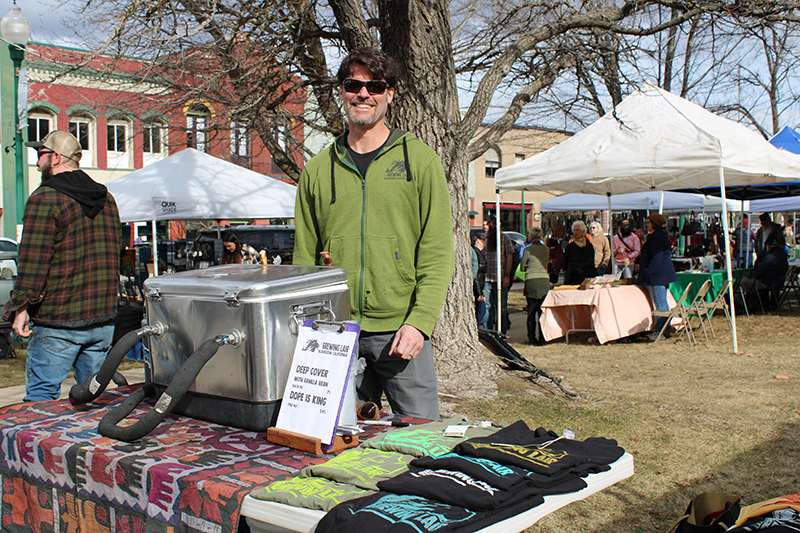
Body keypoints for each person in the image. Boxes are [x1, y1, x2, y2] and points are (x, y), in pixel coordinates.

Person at [293, 48, 454, 420]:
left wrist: (420, 322)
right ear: (341, 91)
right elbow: (304, 261)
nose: (363, 94)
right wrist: (307, 332)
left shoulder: (420, 162)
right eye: (354, 85)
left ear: (390, 93)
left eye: (375, 86)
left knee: (422, 439)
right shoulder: (317, 171)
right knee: (333, 438)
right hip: (335, 333)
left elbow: (437, 253)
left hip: (400, 333)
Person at [3, 131, 121, 401]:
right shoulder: (108, 200)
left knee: (41, 401)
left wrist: (19, 308)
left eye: (40, 155)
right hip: (102, 319)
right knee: (96, 401)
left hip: (59, 321)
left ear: (55, 157)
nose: (36, 162)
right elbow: (113, 256)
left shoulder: (45, 198)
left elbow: (34, 261)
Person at [637, 213, 677, 339]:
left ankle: (660, 330)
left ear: (654, 223)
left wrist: (649, 272)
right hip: (662, 274)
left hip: (658, 274)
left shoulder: (657, 237)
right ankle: (666, 328)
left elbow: (657, 257)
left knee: (660, 303)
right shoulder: (658, 236)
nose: (647, 224)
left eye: (648, 222)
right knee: (662, 302)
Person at [741, 213, 788, 291]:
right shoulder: (760, 231)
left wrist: (774, 249)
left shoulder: (776, 230)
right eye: (761, 223)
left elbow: (781, 243)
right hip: (762, 256)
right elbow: (757, 243)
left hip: (771, 257)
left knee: (758, 278)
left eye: (765, 223)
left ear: (769, 220)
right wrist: (758, 252)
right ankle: (761, 300)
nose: (763, 224)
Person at [484, 217, 514, 334]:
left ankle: (501, 330)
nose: (493, 225)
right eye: (491, 223)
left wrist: (507, 275)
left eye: (496, 223)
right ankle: (488, 331)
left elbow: (509, 256)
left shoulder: (504, 238)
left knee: (501, 306)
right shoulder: (484, 238)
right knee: (487, 306)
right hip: (487, 277)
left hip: (500, 277)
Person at [520, 227, 549, 345]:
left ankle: (531, 337)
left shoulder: (528, 249)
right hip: (543, 280)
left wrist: (527, 265)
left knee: (531, 311)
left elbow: (522, 266)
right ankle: (543, 337)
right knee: (542, 311)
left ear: (531, 236)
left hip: (531, 280)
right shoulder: (546, 249)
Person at [563, 220, 595, 285]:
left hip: (587, 276)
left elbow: (592, 261)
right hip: (573, 278)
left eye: (577, 230)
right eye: (574, 230)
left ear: (583, 231)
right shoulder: (570, 246)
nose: (575, 232)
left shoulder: (589, 246)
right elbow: (565, 263)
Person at [471, 233, 487, 328]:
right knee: (481, 311)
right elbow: (475, 273)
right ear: (478, 241)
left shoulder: (478, 252)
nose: (485, 241)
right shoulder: (475, 252)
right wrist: (479, 293)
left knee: (482, 310)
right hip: (476, 289)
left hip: (480, 287)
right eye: (483, 239)